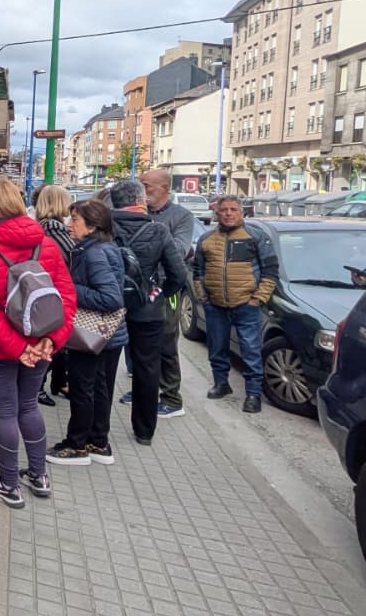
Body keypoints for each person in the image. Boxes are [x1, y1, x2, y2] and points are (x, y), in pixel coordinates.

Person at [0, 179, 75, 509]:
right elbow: (67, 297)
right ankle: (39, 476)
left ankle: (9, 484)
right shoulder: (46, 244)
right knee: (29, 405)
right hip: (40, 344)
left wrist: (16, 348)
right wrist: (50, 341)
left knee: (3, 412)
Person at [46, 200, 127, 467]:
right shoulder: (102, 248)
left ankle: (77, 444)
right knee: (100, 388)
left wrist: (68, 289)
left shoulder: (93, 253)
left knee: (83, 388)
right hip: (107, 335)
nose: (69, 226)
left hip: (92, 333)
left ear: (92, 226)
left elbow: (110, 298)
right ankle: (98, 442)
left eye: (75, 221)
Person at [107, 180, 187, 445]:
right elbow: (178, 273)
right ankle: (144, 431)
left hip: (108, 306)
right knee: (147, 368)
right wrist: (160, 293)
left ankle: (98, 430)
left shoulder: (104, 227)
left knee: (103, 369)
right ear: (140, 201)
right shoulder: (159, 231)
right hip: (148, 309)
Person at [191, 195, 278, 414]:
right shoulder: (206, 240)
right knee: (217, 348)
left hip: (246, 305)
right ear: (217, 213)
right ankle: (221, 383)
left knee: (251, 350)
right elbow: (198, 271)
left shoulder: (255, 237)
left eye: (233, 209)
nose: (229, 213)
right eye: (224, 210)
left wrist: (257, 299)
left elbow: (270, 271)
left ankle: (253, 394)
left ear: (241, 212)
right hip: (215, 305)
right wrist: (203, 297)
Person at [142, 169, 196, 419]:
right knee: (141, 345)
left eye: (147, 186)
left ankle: (172, 398)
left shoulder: (181, 216)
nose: (143, 190)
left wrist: (149, 243)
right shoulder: (139, 212)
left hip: (166, 288)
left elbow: (181, 250)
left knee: (165, 343)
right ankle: (145, 392)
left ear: (164, 187)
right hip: (141, 286)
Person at [33, 185, 76, 404]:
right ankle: (39, 387)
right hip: (55, 295)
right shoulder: (53, 229)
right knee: (53, 342)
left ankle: (57, 382)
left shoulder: (42, 226)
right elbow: (71, 259)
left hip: (45, 294)